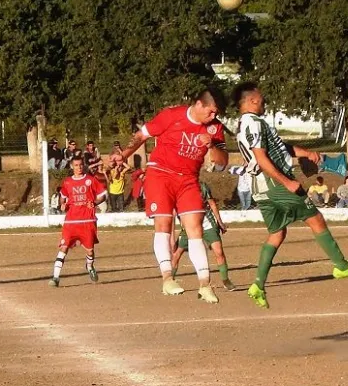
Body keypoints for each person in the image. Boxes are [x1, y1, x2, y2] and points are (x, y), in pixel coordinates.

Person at [232, 82, 348, 309]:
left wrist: (307, 153)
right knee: (315, 219)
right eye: (261, 97)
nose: (264, 101)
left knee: (277, 233)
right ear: (252, 100)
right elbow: (261, 157)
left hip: (259, 186)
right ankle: (341, 265)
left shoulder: (247, 124)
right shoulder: (254, 123)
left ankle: (257, 285)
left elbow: (280, 147)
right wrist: (286, 181)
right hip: (275, 182)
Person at [118, 87, 229, 303]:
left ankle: (205, 284)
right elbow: (142, 135)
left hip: (188, 179)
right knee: (164, 225)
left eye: (216, 114)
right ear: (199, 104)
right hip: (161, 174)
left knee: (195, 227)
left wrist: (212, 146)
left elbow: (222, 161)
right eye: (211, 112)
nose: (214, 117)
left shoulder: (215, 128)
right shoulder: (171, 115)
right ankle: (168, 278)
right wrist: (122, 154)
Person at [49, 157, 107, 287]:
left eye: (81, 165)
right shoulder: (68, 182)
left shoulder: (90, 180)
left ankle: (89, 266)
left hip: (87, 220)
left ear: (83, 166)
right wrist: (62, 204)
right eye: (76, 165)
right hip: (71, 221)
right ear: (72, 166)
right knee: (64, 247)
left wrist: (95, 202)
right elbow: (63, 198)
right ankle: (55, 277)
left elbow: (103, 195)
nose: (79, 167)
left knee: (90, 251)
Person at [171, 181, 236, 292]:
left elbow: (212, 204)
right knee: (176, 254)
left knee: (219, 252)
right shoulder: (177, 188)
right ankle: (170, 281)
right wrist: (172, 237)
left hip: (207, 224)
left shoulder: (202, 186)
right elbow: (173, 213)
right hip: (189, 226)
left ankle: (226, 281)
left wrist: (220, 222)